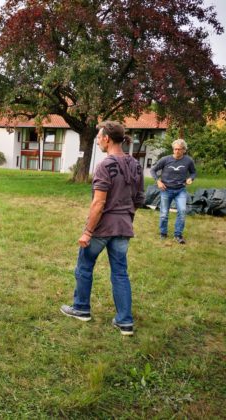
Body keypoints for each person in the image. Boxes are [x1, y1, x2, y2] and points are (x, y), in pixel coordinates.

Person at [60, 121, 145, 336]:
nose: (97, 140)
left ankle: (80, 308)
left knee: (84, 266)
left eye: (98, 137)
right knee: (120, 273)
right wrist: (127, 217)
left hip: (103, 228)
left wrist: (88, 231)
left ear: (107, 138)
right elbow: (139, 199)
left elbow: (98, 204)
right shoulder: (136, 164)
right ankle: (125, 322)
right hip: (124, 227)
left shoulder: (104, 166)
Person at [150, 139, 196, 244]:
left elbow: (193, 172)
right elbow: (153, 170)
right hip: (166, 189)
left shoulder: (188, 161)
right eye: (175, 149)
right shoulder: (165, 160)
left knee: (182, 212)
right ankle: (163, 233)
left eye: (179, 149)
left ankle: (178, 235)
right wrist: (158, 181)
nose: (177, 151)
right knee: (164, 213)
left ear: (184, 150)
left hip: (181, 190)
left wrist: (191, 179)